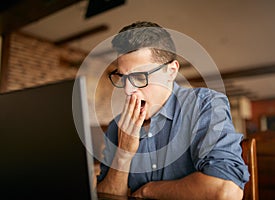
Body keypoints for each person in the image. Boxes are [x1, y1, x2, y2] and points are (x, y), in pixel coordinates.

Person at [96, 21, 249, 200]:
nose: (128, 90)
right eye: (122, 77)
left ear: (171, 71)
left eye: (139, 77)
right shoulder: (117, 126)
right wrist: (123, 155)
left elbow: (226, 192)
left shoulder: (205, 105)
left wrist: (148, 190)